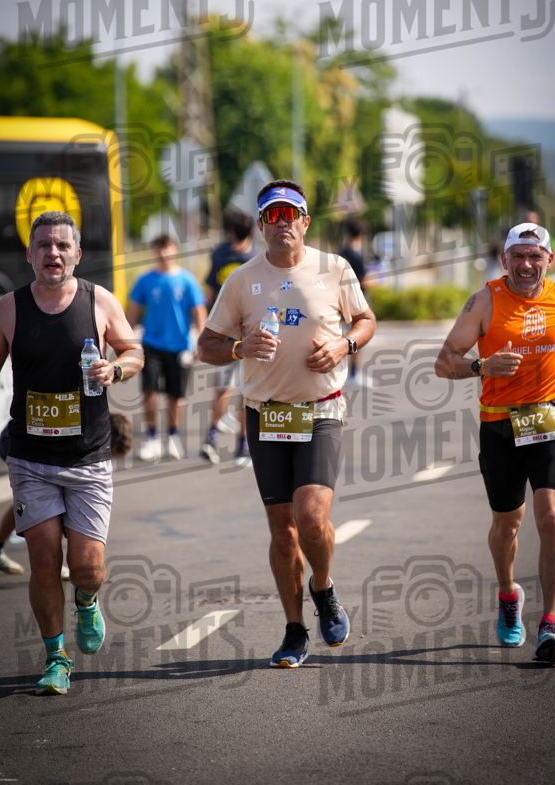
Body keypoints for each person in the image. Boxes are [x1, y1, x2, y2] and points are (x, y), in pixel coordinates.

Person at [198, 181, 376, 667]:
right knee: (282, 531)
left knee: (311, 517)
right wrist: (239, 347)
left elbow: (364, 320)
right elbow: (206, 345)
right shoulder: (240, 279)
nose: (281, 223)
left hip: (321, 408)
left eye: (289, 214)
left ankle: (324, 587)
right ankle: (295, 630)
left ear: (304, 222)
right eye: (271, 216)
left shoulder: (334, 268)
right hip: (266, 413)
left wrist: (344, 346)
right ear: (260, 225)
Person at [0, 210, 143, 696]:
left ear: (75, 254)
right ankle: (56, 657)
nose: (53, 253)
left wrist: (114, 370)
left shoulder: (100, 302)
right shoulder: (8, 309)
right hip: (31, 459)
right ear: (30, 255)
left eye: (62, 246)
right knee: (44, 557)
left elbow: (134, 353)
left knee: (88, 566)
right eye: (44, 246)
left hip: (88, 458)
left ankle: (88, 600)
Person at [435, 222, 555, 663]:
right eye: (517, 255)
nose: (526, 264)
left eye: (535, 256)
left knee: (552, 520)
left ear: (549, 260)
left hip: (551, 417)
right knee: (507, 526)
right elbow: (444, 363)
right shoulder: (484, 301)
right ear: (504, 260)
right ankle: (507, 595)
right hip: (500, 426)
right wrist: (483, 367)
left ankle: (551, 625)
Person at [0, 414, 134, 577]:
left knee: (33, 500)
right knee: (43, 500)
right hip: (18, 441)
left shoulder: (91, 428)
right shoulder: (84, 431)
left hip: (32, 441)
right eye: (109, 451)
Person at [127, 234, 207, 462]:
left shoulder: (187, 280)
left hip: (180, 345)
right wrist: (122, 340)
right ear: (154, 252)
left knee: (175, 394)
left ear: (174, 250)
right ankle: (151, 437)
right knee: (149, 389)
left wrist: (200, 341)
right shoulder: (145, 280)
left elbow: (199, 312)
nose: (163, 253)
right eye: (159, 249)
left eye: (167, 248)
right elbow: (131, 313)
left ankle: (172, 436)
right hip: (151, 343)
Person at [200, 207, 256, 465]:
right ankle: (243, 444)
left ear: (230, 231)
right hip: (251, 333)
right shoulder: (257, 259)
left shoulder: (220, 254)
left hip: (224, 333)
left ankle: (212, 437)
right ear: (253, 230)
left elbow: (209, 294)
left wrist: (203, 325)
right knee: (246, 390)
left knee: (223, 388)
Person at [339, 216, 377, 386]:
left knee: (341, 336)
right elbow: (363, 280)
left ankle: (343, 373)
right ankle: (354, 374)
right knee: (357, 337)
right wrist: (378, 280)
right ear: (362, 234)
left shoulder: (342, 252)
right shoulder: (357, 255)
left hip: (341, 299)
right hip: (358, 300)